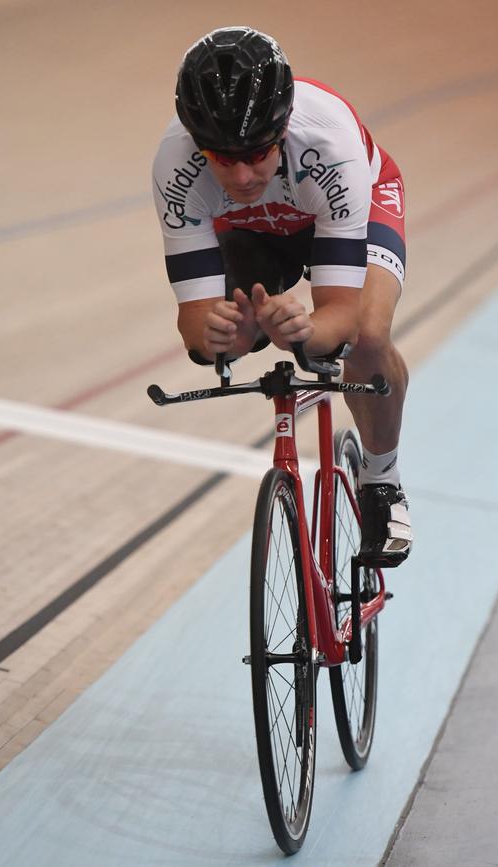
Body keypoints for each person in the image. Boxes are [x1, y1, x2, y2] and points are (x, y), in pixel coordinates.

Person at [152, 26, 412, 567]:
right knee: (225, 344)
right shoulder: (175, 167)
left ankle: (381, 480)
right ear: (198, 146)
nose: (243, 175)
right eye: (222, 159)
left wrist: (304, 330)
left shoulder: (329, 143)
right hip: (256, 229)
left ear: (285, 127)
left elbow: (337, 315)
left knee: (363, 337)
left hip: (349, 202)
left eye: (258, 153)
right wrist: (230, 333)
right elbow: (195, 326)